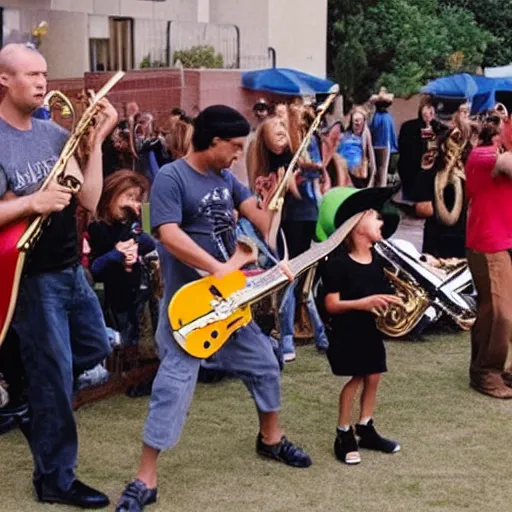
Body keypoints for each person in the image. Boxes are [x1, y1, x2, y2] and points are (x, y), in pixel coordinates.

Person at [115, 105, 311, 512]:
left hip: (232, 305)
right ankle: (144, 480)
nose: (238, 154)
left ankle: (270, 440)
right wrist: (220, 269)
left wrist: (272, 197)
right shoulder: (172, 177)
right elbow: (167, 234)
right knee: (172, 389)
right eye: (235, 147)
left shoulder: (226, 179)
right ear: (214, 140)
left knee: (265, 366)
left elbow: (263, 224)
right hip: (190, 309)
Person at [0, 43, 118, 507]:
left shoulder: (53, 134)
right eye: (31, 75)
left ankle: (30, 394)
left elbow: (88, 199)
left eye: (44, 74)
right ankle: (56, 479)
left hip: (71, 270)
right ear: (4, 81)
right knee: (53, 378)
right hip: (30, 278)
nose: (42, 82)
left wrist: (100, 137)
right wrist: (31, 201)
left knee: (93, 347)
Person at [316, 186, 402, 464]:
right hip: (347, 332)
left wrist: (394, 301)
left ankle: (365, 426)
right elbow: (330, 304)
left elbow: (381, 291)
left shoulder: (376, 260)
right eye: (376, 217)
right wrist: (363, 303)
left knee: (374, 375)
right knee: (356, 379)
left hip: (369, 330)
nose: (381, 222)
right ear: (357, 225)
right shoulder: (338, 264)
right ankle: (343, 432)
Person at [465, 115, 512, 398]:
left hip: (503, 242)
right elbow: (506, 165)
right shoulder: (483, 154)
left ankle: (493, 368)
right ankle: (486, 372)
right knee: (499, 313)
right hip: (487, 244)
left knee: (497, 311)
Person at [88, 170, 155, 346]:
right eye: (129, 196)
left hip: (133, 296)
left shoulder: (127, 224)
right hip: (109, 300)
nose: (134, 204)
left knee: (133, 340)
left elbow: (149, 242)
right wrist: (117, 254)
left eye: (137, 200)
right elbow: (95, 268)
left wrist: (132, 244)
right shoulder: (96, 227)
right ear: (112, 192)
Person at [337, 107, 376, 188]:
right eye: (355, 120)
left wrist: (372, 176)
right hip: (343, 169)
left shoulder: (364, 135)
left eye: (359, 120)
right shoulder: (344, 135)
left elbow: (371, 155)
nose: (357, 123)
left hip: (357, 171)